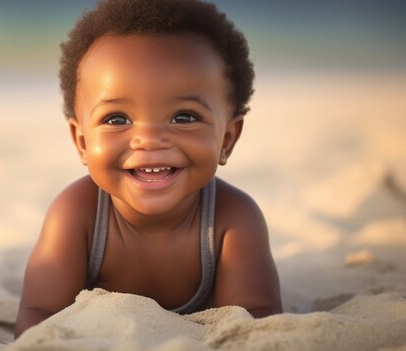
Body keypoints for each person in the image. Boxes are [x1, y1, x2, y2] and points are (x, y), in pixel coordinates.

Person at [14, 0, 282, 338]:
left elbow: (257, 324)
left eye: (183, 117)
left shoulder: (234, 220)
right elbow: (40, 316)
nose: (149, 140)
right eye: (117, 119)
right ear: (82, 142)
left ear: (227, 138)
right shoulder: (75, 214)